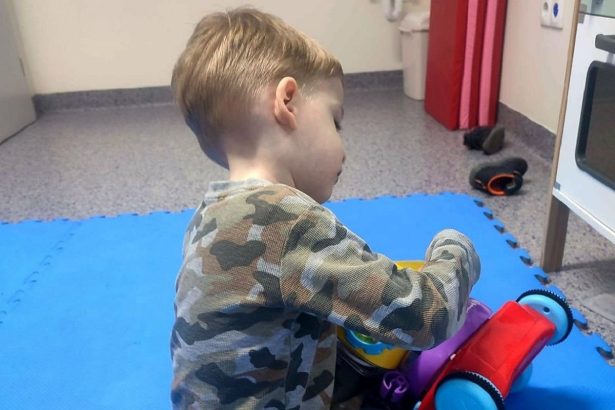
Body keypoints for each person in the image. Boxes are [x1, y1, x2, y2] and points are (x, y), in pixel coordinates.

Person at [169, 7, 481, 409]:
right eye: (336, 121)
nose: (343, 148)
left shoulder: (208, 215)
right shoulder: (287, 221)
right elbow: (425, 317)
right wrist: (455, 250)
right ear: (287, 102)